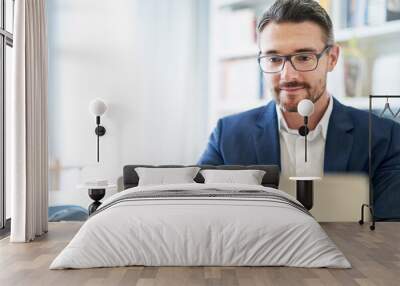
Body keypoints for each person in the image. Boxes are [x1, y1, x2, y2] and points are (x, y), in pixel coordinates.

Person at [198, 0, 400, 220]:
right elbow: (198, 219)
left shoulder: (385, 137)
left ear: (331, 59)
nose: (288, 75)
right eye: (274, 59)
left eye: (304, 58)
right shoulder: (227, 135)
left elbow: (390, 236)